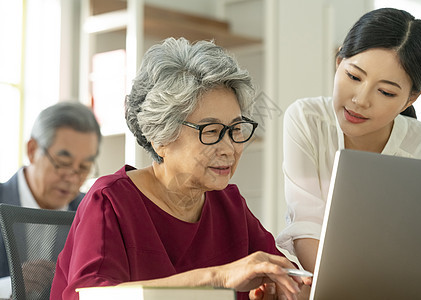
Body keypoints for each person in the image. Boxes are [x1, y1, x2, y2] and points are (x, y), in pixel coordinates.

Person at [50, 37, 311, 300]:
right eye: (211, 131)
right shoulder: (110, 201)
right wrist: (217, 278)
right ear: (161, 137)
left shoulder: (229, 204)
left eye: (235, 130)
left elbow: (291, 283)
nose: (229, 148)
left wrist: (279, 292)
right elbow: (89, 296)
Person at [276, 6, 421, 280]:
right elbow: (306, 223)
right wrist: (332, 289)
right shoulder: (307, 119)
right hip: (321, 285)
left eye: (386, 92)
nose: (361, 99)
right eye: (354, 76)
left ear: (411, 99)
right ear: (338, 62)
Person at [0, 101, 101, 298]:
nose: (72, 178)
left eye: (83, 168)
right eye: (62, 164)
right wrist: (10, 284)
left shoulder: (92, 211)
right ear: (32, 150)